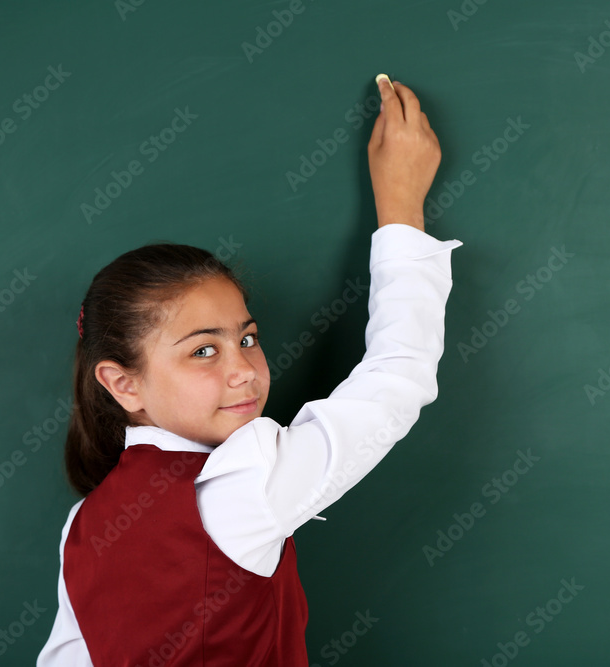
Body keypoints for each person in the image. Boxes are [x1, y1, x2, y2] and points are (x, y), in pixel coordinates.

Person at [37, 76, 463, 665]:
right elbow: (397, 377)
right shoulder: (244, 480)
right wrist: (400, 209)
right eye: (203, 351)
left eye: (248, 338)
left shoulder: (83, 525)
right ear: (122, 383)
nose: (245, 371)